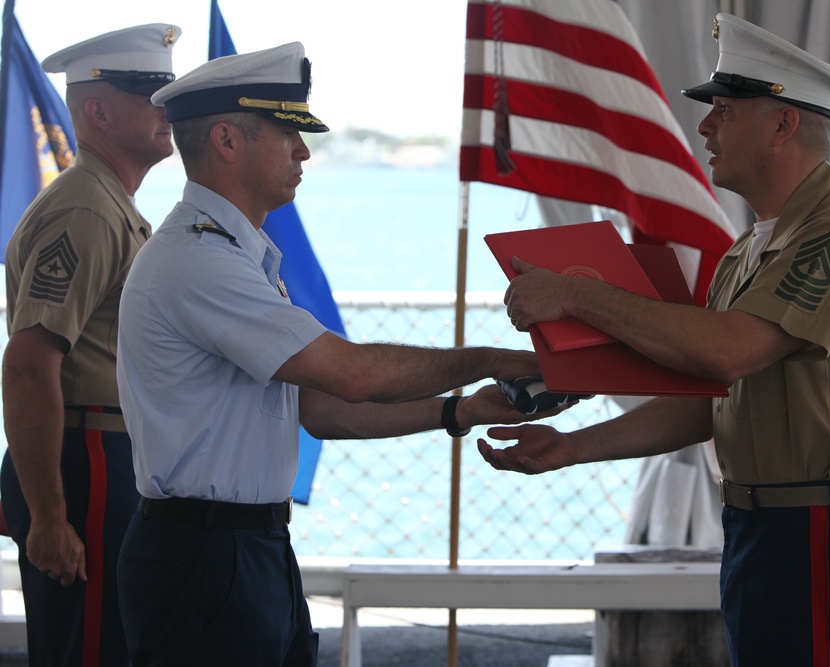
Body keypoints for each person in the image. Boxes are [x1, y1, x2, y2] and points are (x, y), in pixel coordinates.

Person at [478, 13, 830, 667]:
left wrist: (576, 294)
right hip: (761, 531)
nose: (706, 127)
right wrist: (571, 447)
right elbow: (707, 399)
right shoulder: (749, 251)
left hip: (826, 531)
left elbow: (728, 349)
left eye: (726, 109)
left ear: (783, 122)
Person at [113, 42, 560, 666]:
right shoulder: (198, 260)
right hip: (205, 557)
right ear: (226, 140)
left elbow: (323, 410)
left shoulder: (236, 256)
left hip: (249, 549)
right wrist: (490, 357)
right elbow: (352, 376)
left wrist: (463, 411)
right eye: (287, 131)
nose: (304, 150)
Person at [1, 23, 181, 667]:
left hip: (104, 451)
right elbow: (27, 367)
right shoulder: (87, 210)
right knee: (92, 650)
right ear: (98, 110)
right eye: (149, 94)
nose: (167, 109)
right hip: (89, 457)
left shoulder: (109, 203)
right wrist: (48, 513)